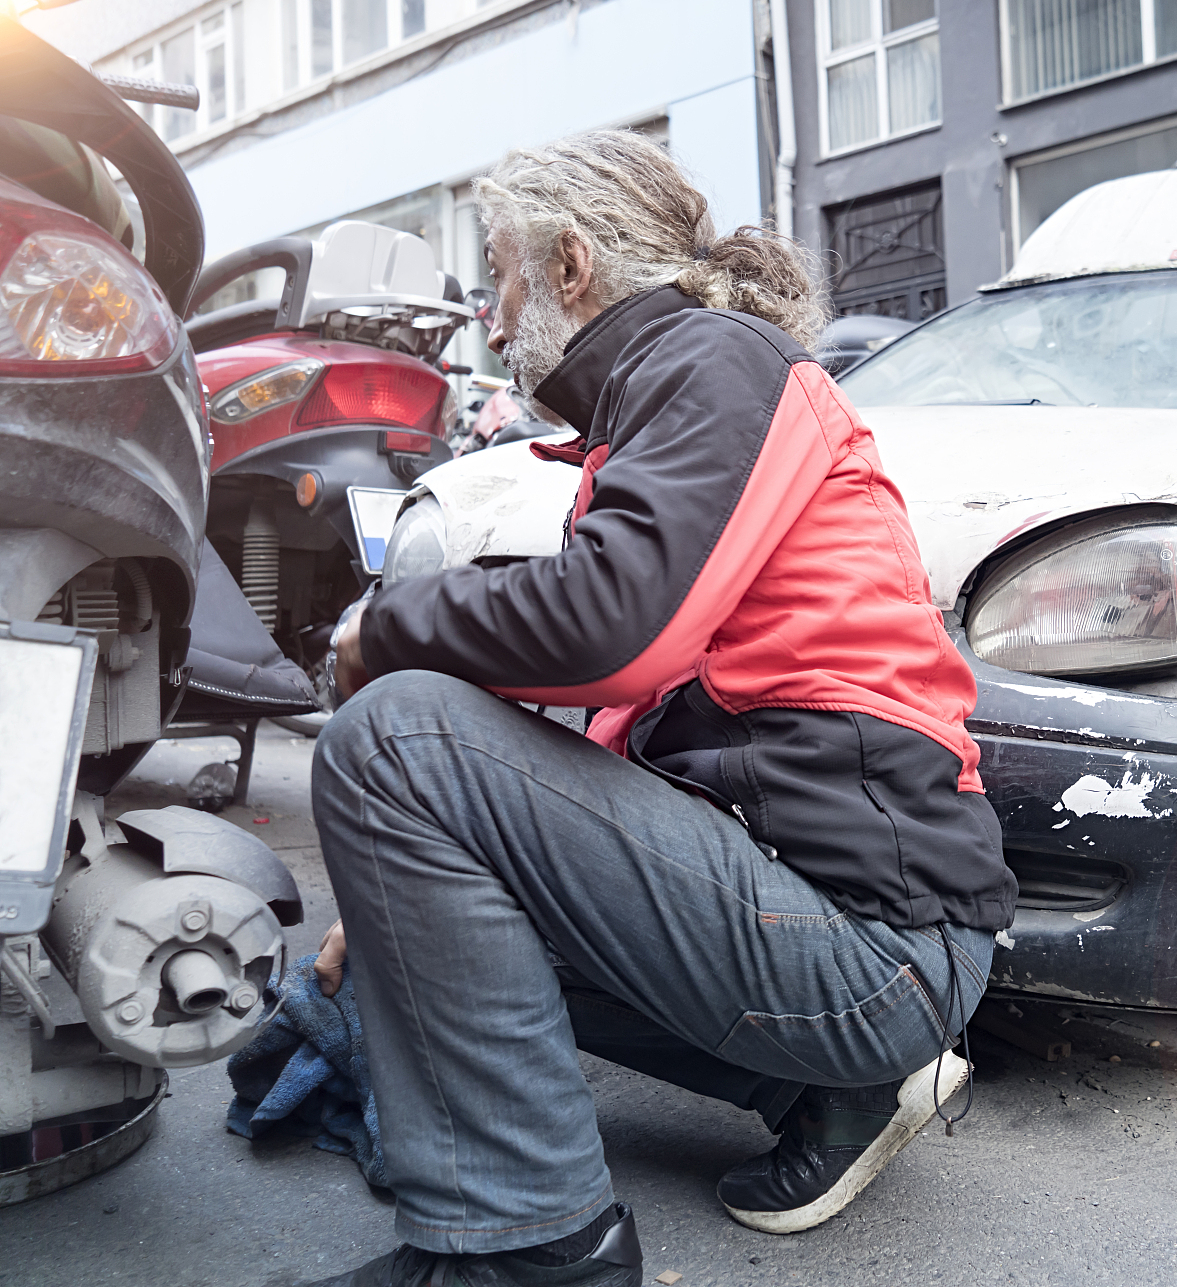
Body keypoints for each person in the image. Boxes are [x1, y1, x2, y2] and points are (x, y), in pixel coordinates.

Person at [304, 130, 1016, 1287]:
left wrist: (386, 627)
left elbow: (615, 628)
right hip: (857, 945)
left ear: (571, 264)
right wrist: (395, 903)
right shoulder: (674, 393)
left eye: (502, 275)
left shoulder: (711, 363)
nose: (491, 317)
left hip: (877, 950)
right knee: (432, 913)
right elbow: (618, 713)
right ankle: (828, 1086)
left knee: (394, 738)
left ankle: (529, 1248)